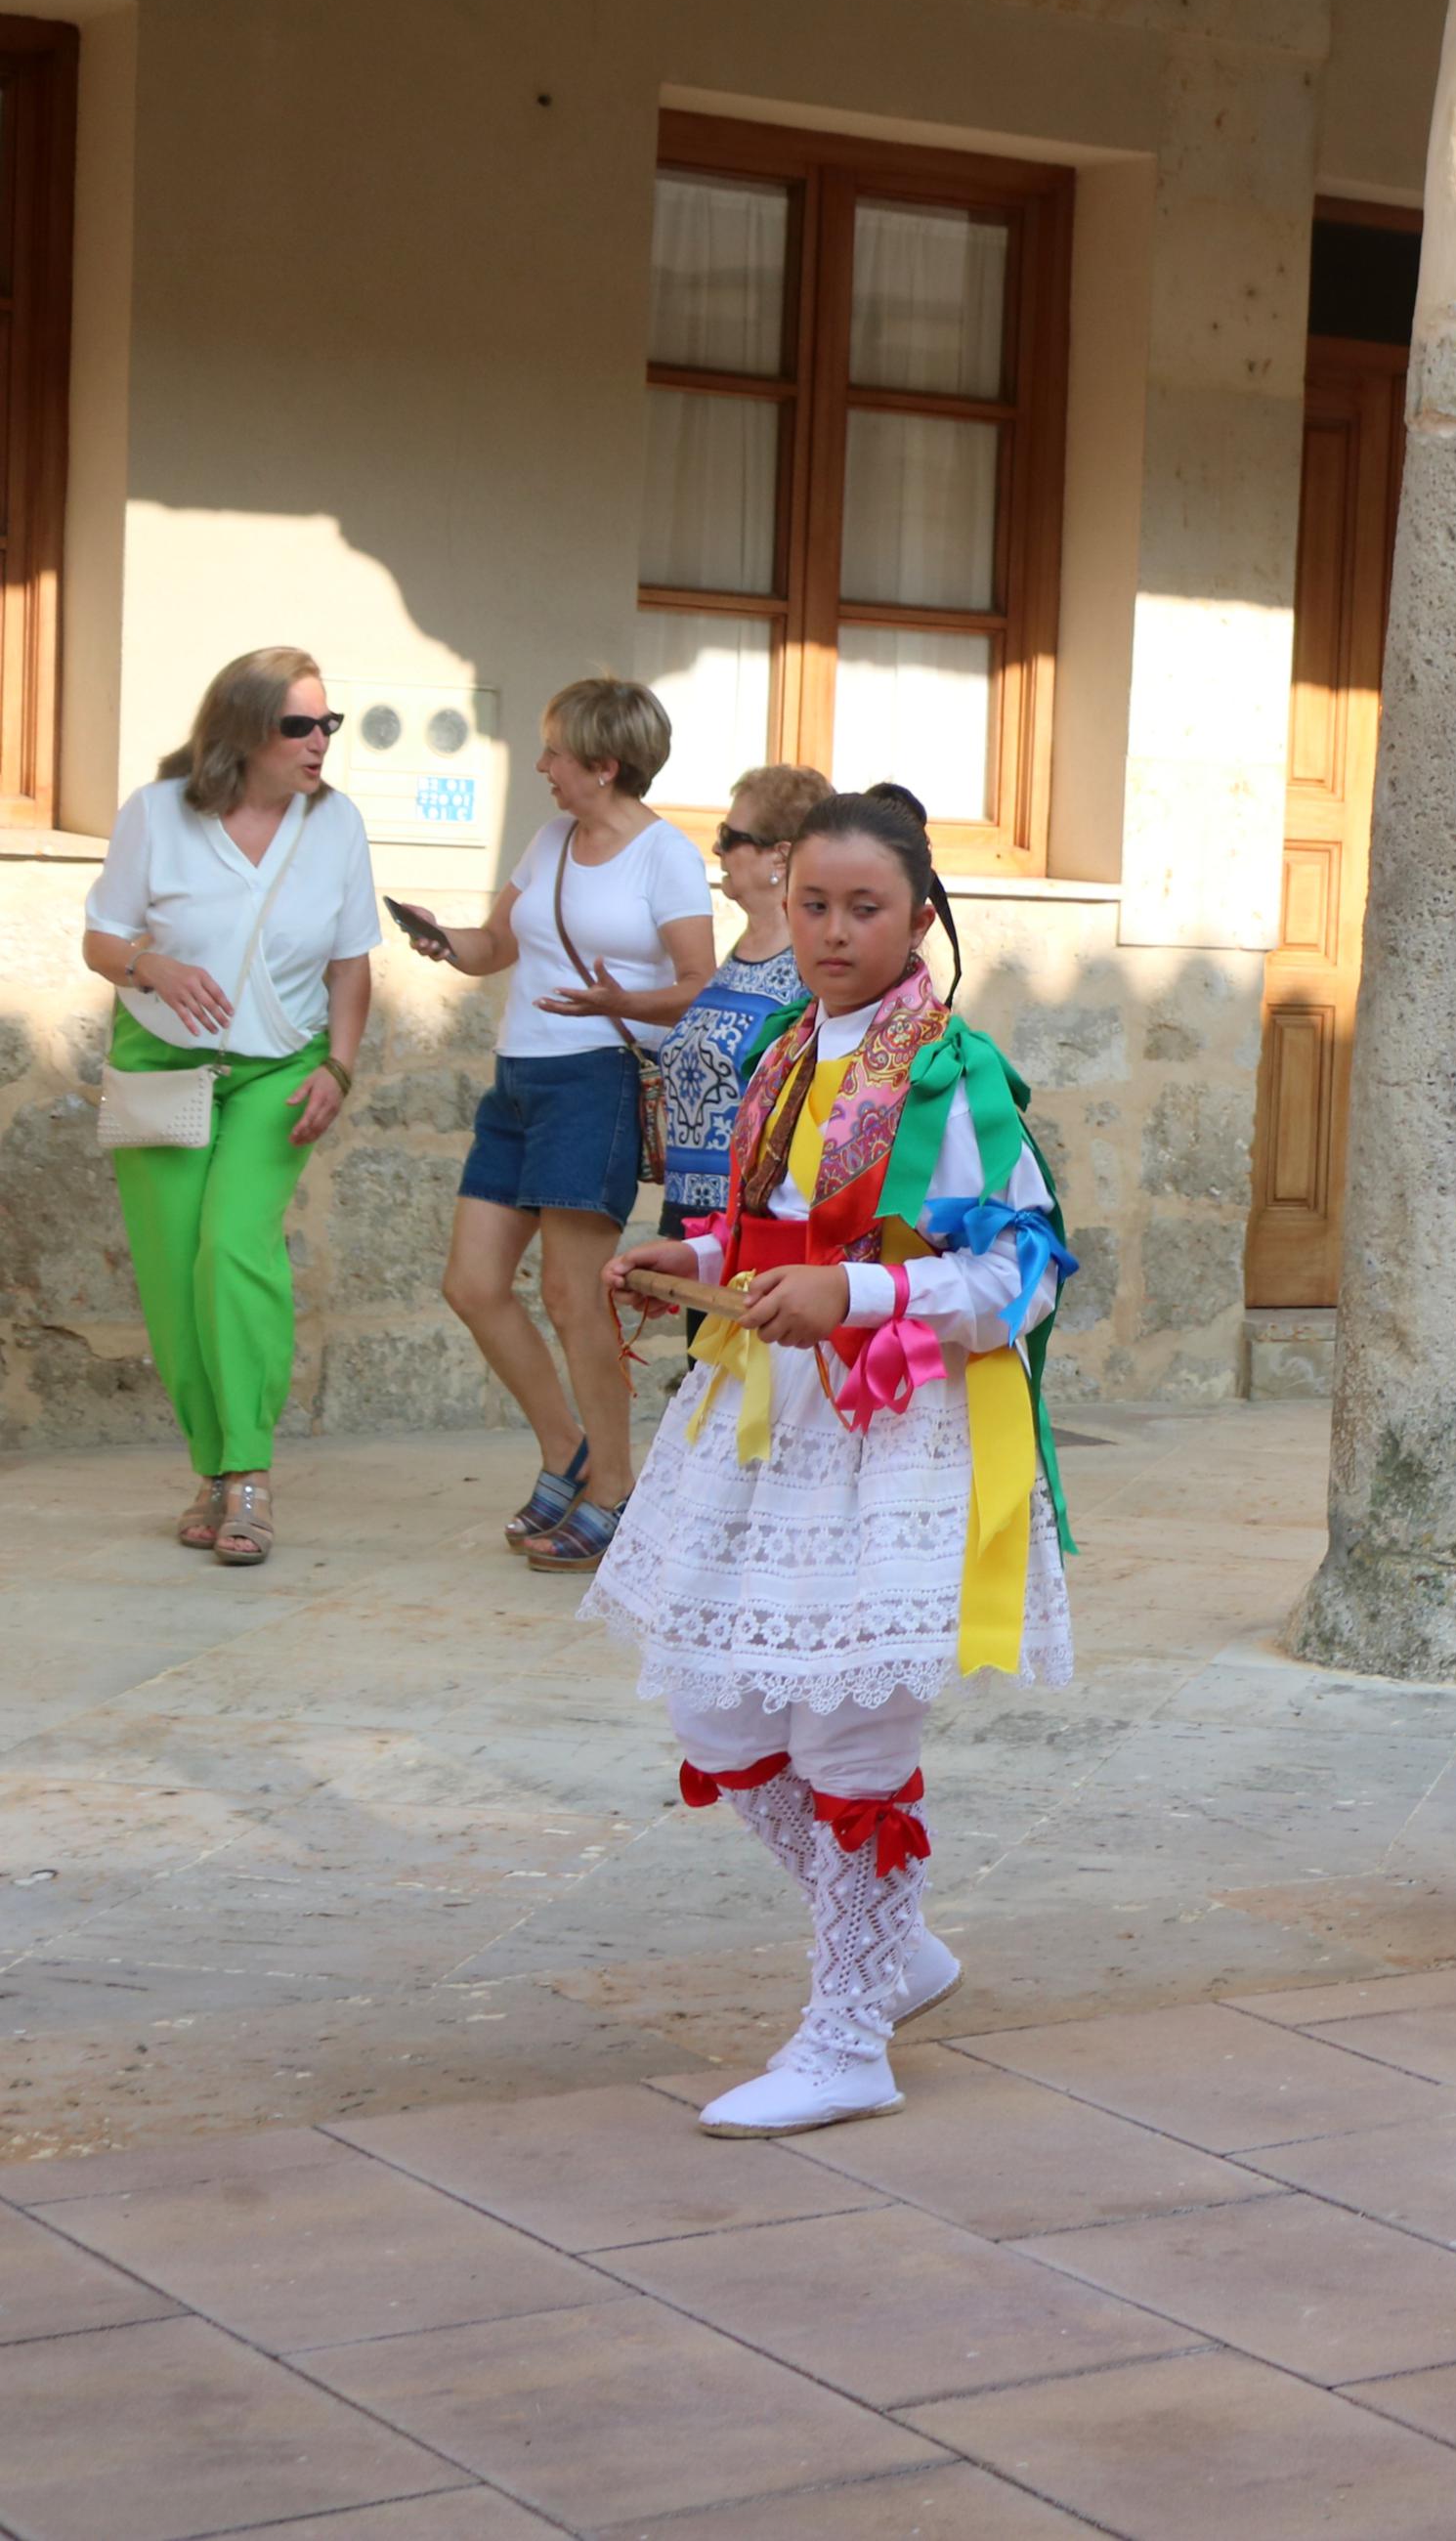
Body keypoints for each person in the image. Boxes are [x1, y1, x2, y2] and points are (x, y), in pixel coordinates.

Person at [590, 784, 1080, 2138]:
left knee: (848, 1734)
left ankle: (850, 2029)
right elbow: (772, 1229)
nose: (832, 929)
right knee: (722, 1715)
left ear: (920, 914)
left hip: (892, 1431)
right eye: (812, 903)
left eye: (864, 906)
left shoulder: (951, 1071)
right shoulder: (790, 1053)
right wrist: (685, 1262)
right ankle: (897, 1944)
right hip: (762, 1421)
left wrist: (857, 1298)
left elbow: (1016, 1271)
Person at [402, 678, 712, 1574]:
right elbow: (498, 944)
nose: (541, 766)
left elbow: (698, 979)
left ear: (604, 765)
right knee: (471, 1282)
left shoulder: (666, 857)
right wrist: (444, 939)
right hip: (519, 1080)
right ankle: (566, 1449)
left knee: (576, 1297)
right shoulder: (548, 840)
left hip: (596, 1081)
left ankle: (614, 1490)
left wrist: (623, 1000)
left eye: (555, 753)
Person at [77, 648, 378, 1566]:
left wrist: (340, 1065)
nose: (320, 741)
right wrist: (150, 964)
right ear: (245, 730)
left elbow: (351, 962)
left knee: (234, 1246)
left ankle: (249, 1472)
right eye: (300, 725)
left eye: (330, 723)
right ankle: (210, 1468)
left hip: (275, 1070)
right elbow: (101, 937)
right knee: (173, 1278)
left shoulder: (336, 825)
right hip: (163, 1064)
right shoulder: (156, 815)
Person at [657, 765, 829, 1237]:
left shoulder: (807, 969)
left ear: (780, 857)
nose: (717, 849)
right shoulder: (736, 955)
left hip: (750, 1222)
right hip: (687, 1211)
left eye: (730, 836)